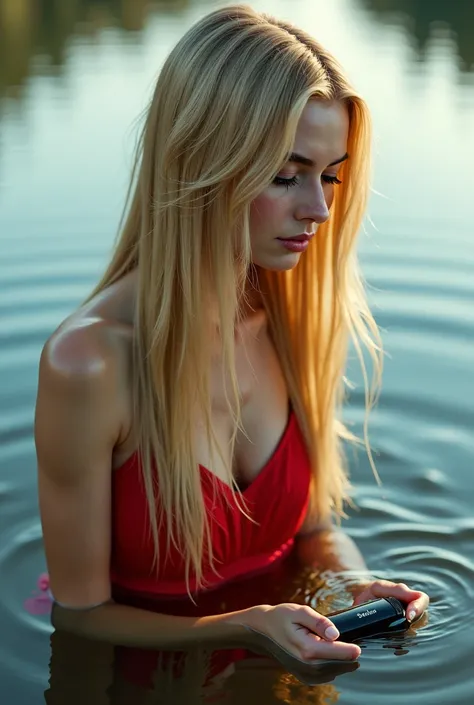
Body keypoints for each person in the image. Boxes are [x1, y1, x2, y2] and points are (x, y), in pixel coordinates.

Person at [34, 3, 429, 671]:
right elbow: (81, 614)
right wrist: (245, 627)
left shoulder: (292, 319)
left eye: (329, 174)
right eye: (286, 175)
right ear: (203, 162)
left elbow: (314, 531)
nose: (319, 209)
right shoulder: (90, 362)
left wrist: (353, 583)